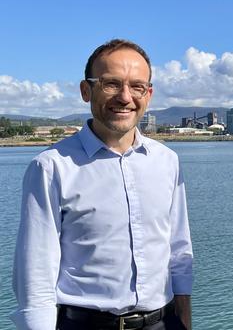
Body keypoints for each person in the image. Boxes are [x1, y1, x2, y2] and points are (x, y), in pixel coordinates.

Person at [12, 39, 193, 330]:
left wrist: (184, 320)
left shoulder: (166, 161)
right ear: (86, 90)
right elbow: (36, 272)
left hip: (163, 322)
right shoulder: (52, 167)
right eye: (111, 84)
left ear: (149, 94)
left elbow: (178, 249)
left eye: (137, 86)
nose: (125, 97)